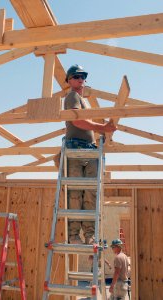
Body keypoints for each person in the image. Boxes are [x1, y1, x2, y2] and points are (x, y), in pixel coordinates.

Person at [64, 64, 117, 244]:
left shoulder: (84, 100)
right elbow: (77, 121)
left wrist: (101, 131)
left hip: (88, 148)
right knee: (75, 193)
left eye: (83, 76)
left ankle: (89, 235)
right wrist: (102, 127)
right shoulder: (71, 96)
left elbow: (85, 122)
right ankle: (72, 235)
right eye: (76, 76)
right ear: (69, 80)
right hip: (76, 148)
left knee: (90, 194)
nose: (80, 79)